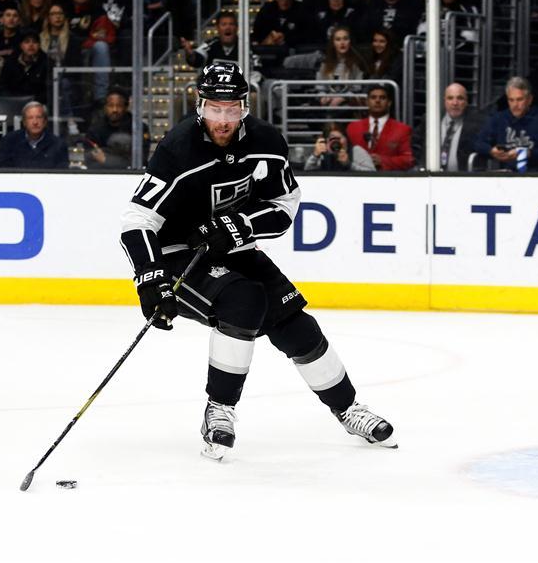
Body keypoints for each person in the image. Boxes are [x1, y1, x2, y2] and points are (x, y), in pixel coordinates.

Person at [118, 62, 396, 460]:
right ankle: (219, 411)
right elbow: (137, 219)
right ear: (200, 105)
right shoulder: (177, 149)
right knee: (243, 301)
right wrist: (149, 278)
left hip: (232, 246)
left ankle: (348, 408)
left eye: (233, 109)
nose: (224, 119)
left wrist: (241, 226)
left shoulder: (266, 141)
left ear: (245, 107)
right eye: (215, 108)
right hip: (179, 255)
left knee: (295, 323)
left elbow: (285, 204)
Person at [473, 76, 538, 172]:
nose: (515, 105)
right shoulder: (499, 119)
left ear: (529, 100)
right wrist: (491, 151)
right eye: (511, 100)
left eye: (519, 100)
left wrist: (528, 153)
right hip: (507, 175)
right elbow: (478, 142)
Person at [413, 82, 485, 171]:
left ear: (466, 102)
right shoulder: (430, 119)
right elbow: (415, 144)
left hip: (463, 179)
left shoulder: (476, 124)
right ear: (445, 101)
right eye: (450, 98)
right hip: (432, 177)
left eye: (460, 98)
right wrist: (420, 164)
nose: (455, 103)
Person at [346, 83, 415, 171]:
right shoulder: (352, 128)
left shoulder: (403, 129)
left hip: (389, 179)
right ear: (367, 102)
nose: (377, 101)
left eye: (382, 98)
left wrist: (383, 160)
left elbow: (408, 160)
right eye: (373, 97)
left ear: (389, 103)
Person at [84, 86, 151, 169]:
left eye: (119, 106)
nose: (114, 110)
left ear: (126, 107)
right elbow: (90, 160)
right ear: (105, 107)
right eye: (111, 105)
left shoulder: (138, 128)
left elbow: (139, 160)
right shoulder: (95, 129)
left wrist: (106, 160)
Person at [0, 101, 69, 168]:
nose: (35, 122)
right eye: (30, 118)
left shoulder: (58, 144)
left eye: (39, 117)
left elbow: (62, 175)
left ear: (45, 121)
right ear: (24, 122)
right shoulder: (9, 141)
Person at [315, 25, 366, 107]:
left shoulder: (357, 63)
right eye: (338, 39)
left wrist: (343, 98)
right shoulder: (324, 64)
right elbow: (320, 89)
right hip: (328, 105)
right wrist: (324, 97)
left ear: (350, 41)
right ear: (333, 43)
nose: (342, 43)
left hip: (350, 105)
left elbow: (358, 90)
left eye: (345, 39)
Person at [0, 30, 50, 103]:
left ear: (39, 45)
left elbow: (49, 91)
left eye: (34, 42)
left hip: (37, 104)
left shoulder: (47, 62)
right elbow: (1, 87)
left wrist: (32, 101)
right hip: (13, 103)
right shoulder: (11, 62)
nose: (31, 45)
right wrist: (13, 99)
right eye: (27, 42)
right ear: (21, 45)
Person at [304, 122, 375, 171]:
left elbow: (373, 174)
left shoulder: (356, 151)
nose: (336, 143)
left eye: (338, 139)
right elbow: (307, 172)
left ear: (346, 139)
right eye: (332, 139)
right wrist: (315, 155)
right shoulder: (323, 154)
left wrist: (349, 164)